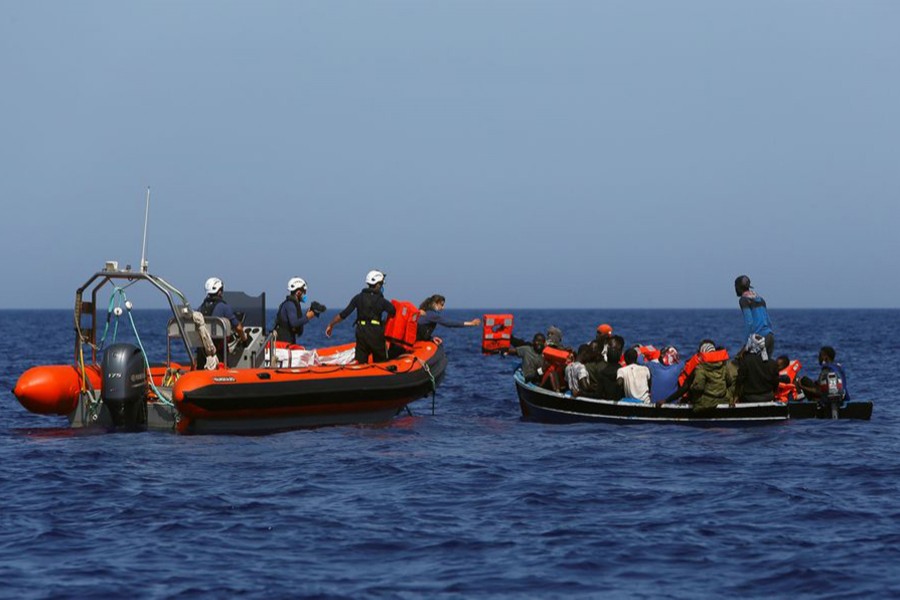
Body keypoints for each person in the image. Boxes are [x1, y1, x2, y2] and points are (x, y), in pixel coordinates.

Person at [325, 270, 396, 364]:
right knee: (381, 363)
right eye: (381, 284)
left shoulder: (358, 298)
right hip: (376, 334)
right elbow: (393, 311)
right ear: (378, 285)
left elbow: (343, 314)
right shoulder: (381, 301)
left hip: (361, 333)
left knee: (361, 363)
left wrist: (331, 324)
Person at [197, 276, 248, 367]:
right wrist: (244, 340)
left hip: (202, 353)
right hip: (218, 354)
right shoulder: (224, 307)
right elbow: (238, 328)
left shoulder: (200, 308)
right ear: (219, 291)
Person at [274, 277, 325, 345]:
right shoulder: (290, 305)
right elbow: (294, 323)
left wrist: (308, 313)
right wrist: (307, 317)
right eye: (304, 292)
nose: (305, 294)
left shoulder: (294, 304)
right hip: (283, 343)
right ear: (298, 292)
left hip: (289, 341)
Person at [735, 275, 775, 355]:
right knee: (765, 363)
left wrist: (746, 344)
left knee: (747, 362)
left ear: (738, 288)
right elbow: (768, 321)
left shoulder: (744, 300)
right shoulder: (760, 299)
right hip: (770, 337)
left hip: (759, 339)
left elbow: (749, 322)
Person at [688, 341, 734, 410]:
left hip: (706, 402)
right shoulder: (723, 365)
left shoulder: (701, 368)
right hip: (723, 399)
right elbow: (729, 381)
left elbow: (699, 387)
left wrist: (691, 388)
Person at [736, 333, 779, 403]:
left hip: (749, 398)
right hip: (768, 396)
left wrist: (736, 396)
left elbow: (740, 380)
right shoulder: (772, 363)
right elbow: (776, 381)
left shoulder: (745, 361)